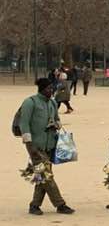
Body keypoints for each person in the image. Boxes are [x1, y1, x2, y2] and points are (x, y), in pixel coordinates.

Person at [19, 78, 74, 215]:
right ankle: (60, 204)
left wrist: (55, 124)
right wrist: (29, 145)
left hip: (50, 145)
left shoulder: (52, 103)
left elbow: (58, 121)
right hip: (35, 146)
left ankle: (34, 205)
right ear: (42, 89)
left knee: (42, 176)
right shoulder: (29, 103)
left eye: (52, 88)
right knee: (47, 176)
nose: (51, 91)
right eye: (49, 89)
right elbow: (24, 124)